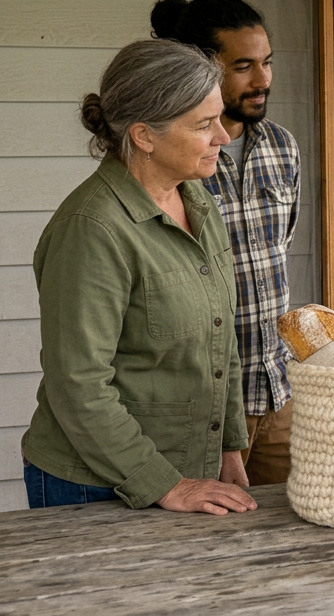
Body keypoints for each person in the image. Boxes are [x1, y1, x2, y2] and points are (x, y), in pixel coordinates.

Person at [23, 40, 258, 515]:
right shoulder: (92, 229)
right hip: (95, 487)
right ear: (145, 135)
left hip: (189, 474)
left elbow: (221, 337)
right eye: (203, 125)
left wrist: (229, 445)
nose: (223, 137)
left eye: (220, 118)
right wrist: (164, 486)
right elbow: (78, 383)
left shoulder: (199, 203)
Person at [152, 0, 301, 486]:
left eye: (266, 62)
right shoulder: (175, 158)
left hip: (279, 397)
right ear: (201, 69)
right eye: (243, 66)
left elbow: (276, 254)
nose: (263, 80)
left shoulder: (282, 146)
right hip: (203, 409)